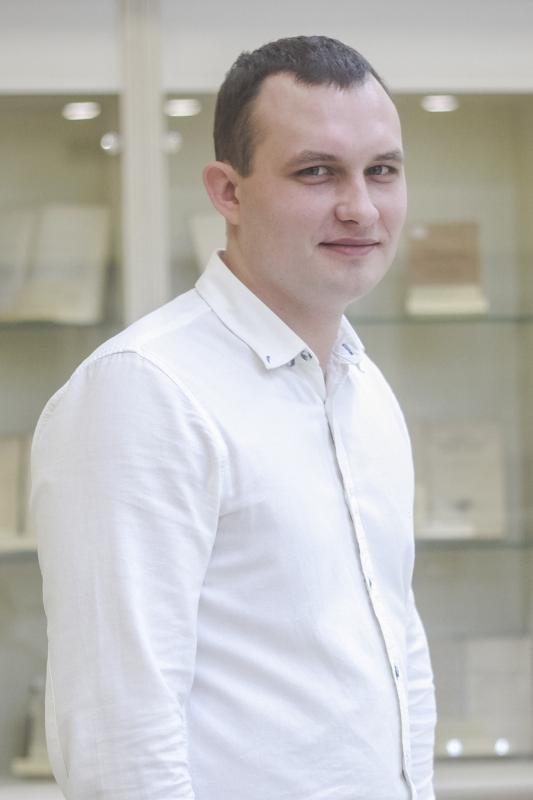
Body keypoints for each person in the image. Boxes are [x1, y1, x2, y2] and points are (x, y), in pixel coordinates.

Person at [32, 35, 436, 800]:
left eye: (381, 170)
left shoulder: (364, 387)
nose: (359, 206)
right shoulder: (143, 391)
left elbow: (397, 653)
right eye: (316, 172)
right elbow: (119, 738)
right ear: (227, 192)